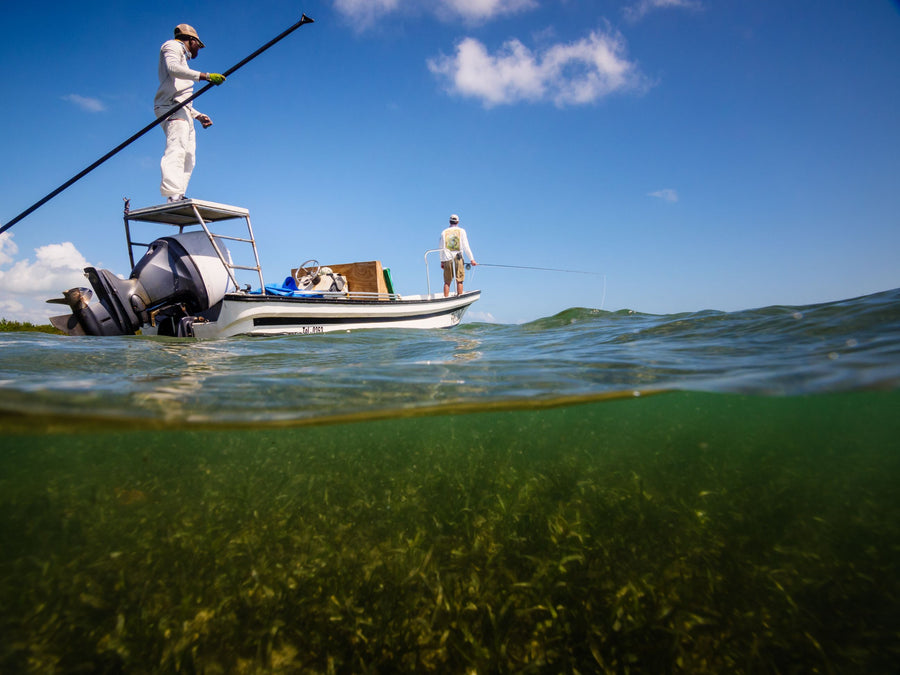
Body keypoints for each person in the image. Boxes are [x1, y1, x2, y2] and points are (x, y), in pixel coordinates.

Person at [154, 24, 226, 202]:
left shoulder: (182, 57)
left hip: (180, 107)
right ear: (192, 40)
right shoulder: (172, 46)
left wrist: (197, 115)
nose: (198, 51)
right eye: (198, 46)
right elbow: (173, 68)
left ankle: (178, 194)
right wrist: (206, 76)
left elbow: (181, 96)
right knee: (176, 148)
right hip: (170, 106)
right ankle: (172, 195)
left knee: (189, 155)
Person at [439, 214, 477, 297]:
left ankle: (445, 298)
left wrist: (442, 261)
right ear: (457, 222)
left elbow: (441, 247)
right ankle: (459, 296)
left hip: (447, 258)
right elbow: (466, 246)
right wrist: (472, 259)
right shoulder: (461, 231)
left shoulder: (444, 232)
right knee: (459, 280)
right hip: (458, 257)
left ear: (449, 221)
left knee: (447, 282)